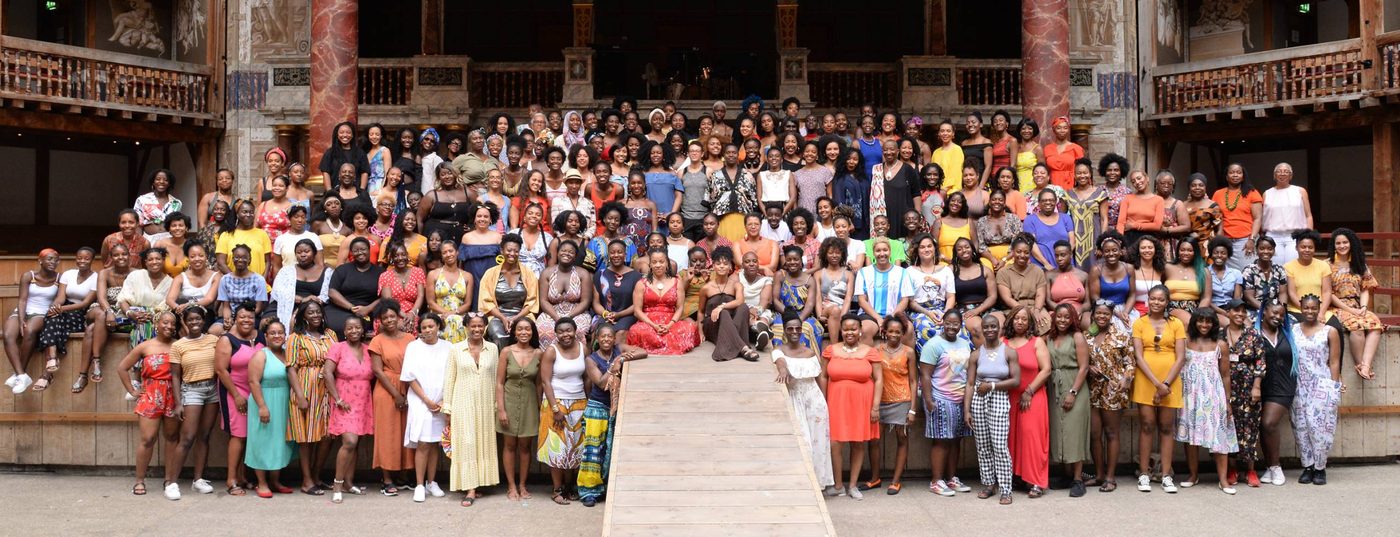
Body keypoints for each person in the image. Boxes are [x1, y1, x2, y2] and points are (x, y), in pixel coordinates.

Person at [577, 324, 648, 507]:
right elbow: (601, 383)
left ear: (615, 338)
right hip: (597, 407)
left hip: (616, 407)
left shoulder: (619, 349)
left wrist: (621, 358)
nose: (607, 339)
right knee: (593, 450)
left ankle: (608, 489)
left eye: (610, 336)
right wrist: (613, 367)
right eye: (603, 337)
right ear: (597, 340)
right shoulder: (591, 359)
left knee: (611, 449)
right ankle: (589, 491)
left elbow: (643, 352)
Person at [117, 310, 180, 498]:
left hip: (173, 394)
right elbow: (122, 368)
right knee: (148, 439)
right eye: (165, 323)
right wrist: (133, 391)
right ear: (156, 324)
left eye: (173, 324)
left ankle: (169, 480)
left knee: (172, 437)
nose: (169, 326)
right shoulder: (145, 346)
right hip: (151, 394)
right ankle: (139, 480)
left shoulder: (178, 346)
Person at [1176, 307, 1239, 494]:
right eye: (1200, 320)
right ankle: (1193, 475)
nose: (1204, 325)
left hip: (1213, 394)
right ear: (1194, 322)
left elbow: (1226, 375)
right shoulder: (1186, 342)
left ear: (1214, 324)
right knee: (1191, 438)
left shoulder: (1221, 344)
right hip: (1190, 395)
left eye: (1208, 321)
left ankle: (1223, 480)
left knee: (1219, 436)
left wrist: (1227, 401)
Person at [1131, 285, 1187, 493]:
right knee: (1146, 425)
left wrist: (1165, 384)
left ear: (1166, 302)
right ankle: (1144, 473)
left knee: (1166, 428)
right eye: (1152, 299)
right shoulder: (1139, 323)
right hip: (1147, 380)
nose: (1156, 303)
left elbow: (1181, 356)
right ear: (1148, 300)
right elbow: (1138, 355)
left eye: (1160, 300)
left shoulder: (1176, 324)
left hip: (1170, 381)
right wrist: (1156, 384)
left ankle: (1165, 474)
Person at [772, 313, 835, 493]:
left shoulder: (810, 352)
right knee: (804, 443)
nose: (794, 332)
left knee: (819, 443)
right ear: (784, 330)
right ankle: (803, 486)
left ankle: (818, 484)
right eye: (790, 328)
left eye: (798, 329)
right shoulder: (779, 350)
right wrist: (783, 370)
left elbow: (820, 377)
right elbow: (780, 362)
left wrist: (824, 400)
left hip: (815, 399)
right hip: (795, 398)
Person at [441, 314, 500, 506]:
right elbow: (449, 378)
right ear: (466, 326)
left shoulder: (492, 348)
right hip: (462, 403)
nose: (476, 330)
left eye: (480, 326)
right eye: (473, 326)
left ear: (485, 327)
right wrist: (447, 408)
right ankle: (470, 488)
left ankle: (481, 481)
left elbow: (496, 379)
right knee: (466, 443)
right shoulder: (456, 349)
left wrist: (496, 405)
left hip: (485, 403)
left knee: (483, 441)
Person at [825, 314, 884, 500]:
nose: (849, 332)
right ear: (841, 331)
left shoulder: (870, 351)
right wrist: (823, 401)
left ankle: (852, 486)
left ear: (860, 331)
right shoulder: (830, 350)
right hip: (836, 401)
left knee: (858, 443)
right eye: (846, 329)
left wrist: (875, 407)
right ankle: (838, 485)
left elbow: (879, 379)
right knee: (835, 443)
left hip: (862, 403)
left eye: (853, 329)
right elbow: (823, 376)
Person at [963, 314, 1021, 504]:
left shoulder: (1009, 352)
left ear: (1000, 329)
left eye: (993, 327)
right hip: (979, 399)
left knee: (999, 446)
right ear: (982, 329)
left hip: (998, 397)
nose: (989, 330)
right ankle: (989, 484)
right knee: (983, 445)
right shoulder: (976, 354)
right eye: (986, 327)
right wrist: (967, 410)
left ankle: (1006, 489)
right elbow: (970, 383)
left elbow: (1016, 381)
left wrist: (993, 386)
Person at [165, 306, 222, 497]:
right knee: (187, 438)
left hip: (212, 389)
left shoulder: (214, 340)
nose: (194, 323)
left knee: (204, 436)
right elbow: (174, 376)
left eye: (198, 319)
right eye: (190, 320)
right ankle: (172, 483)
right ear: (185, 322)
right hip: (192, 390)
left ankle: (198, 479)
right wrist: (178, 402)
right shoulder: (178, 345)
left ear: (204, 320)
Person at [285, 300, 338, 496]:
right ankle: (307, 481)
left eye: (318, 312)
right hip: (306, 388)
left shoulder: (330, 335)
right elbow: (290, 367)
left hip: (327, 389)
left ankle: (316, 475)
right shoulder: (295, 338)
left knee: (326, 435)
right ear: (303, 316)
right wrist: (299, 395)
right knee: (306, 437)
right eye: (310, 312)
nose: (315, 315)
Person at [920, 310, 973, 497]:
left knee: (956, 440)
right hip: (940, 397)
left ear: (961, 324)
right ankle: (936, 481)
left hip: (960, 398)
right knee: (942, 440)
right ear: (942, 323)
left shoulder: (965, 343)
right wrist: (928, 399)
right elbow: (925, 374)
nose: (952, 326)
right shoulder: (933, 345)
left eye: (956, 323)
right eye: (948, 323)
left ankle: (951, 478)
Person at [1291, 294, 1342, 485]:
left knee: (1319, 427)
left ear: (1319, 308)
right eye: (1306, 308)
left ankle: (1320, 468)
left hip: (1321, 384)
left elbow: (1334, 361)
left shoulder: (1330, 331)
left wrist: (1334, 386)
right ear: (1301, 308)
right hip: (1298, 385)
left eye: (1313, 308)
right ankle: (1308, 466)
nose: (1310, 311)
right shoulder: (1293, 329)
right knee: (1301, 426)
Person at [1083, 300, 1134, 492]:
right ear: (1093, 315)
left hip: (1114, 390)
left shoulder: (1121, 336)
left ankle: (1111, 477)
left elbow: (1130, 363)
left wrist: (1126, 379)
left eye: (1106, 314)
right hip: (1092, 390)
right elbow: (1081, 360)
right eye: (1099, 313)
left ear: (1111, 315)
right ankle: (1099, 475)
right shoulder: (1087, 336)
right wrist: (1088, 368)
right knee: (1095, 434)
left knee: (1111, 433)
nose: (1102, 317)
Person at [323, 316, 374, 503]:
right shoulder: (338, 348)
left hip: (363, 400)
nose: (353, 331)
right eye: (350, 328)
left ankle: (348, 482)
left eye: (357, 328)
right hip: (344, 400)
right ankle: (337, 483)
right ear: (344, 332)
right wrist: (337, 398)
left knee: (356, 442)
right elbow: (327, 372)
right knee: (350, 441)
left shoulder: (369, 350)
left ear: (362, 330)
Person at [402, 314, 452, 503]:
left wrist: (443, 401)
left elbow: (451, 374)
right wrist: (427, 400)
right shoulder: (413, 347)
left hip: (441, 402)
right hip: (420, 401)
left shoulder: (449, 347)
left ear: (438, 326)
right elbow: (410, 377)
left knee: (434, 444)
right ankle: (420, 484)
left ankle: (432, 482)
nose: (428, 330)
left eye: (431, 326)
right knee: (423, 443)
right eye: (424, 327)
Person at [539, 317, 588, 505]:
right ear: (555, 334)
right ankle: (557, 489)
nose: (565, 334)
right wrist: (554, 407)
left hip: (579, 402)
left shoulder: (583, 349)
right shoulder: (551, 351)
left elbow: (586, 377)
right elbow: (545, 381)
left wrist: (588, 401)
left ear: (575, 331)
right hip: (555, 401)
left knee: (575, 447)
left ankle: (570, 486)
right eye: (561, 331)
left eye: (568, 330)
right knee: (557, 447)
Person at [1044, 303, 1091, 497]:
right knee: (1059, 432)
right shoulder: (1049, 337)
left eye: (1066, 317)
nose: (1062, 320)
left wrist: (1073, 392)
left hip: (1074, 385)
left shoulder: (1077, 337)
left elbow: (1084, 367)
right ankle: (1066, 474)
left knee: (1074, 433)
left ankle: (1078, 479)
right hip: (1054, 386)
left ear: (1073, 319)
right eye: (1059, 316)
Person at [368, 302, 415, 495]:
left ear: (399, 316)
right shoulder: (377, 340)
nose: (389, 320)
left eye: (392, 316)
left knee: (406, 432)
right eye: (385, 317)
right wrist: (396, 394)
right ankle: (386, 479)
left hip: (409, 386)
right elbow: (377, 371)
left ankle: (404, 476)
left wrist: (408, 392)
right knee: (388, 434)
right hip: (387, 389)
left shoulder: (411, 338)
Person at [244, 319, 294, 498]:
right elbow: (253, 381)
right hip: (264, 400)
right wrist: (262, 406)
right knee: (262, 441)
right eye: (272, 333)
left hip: (282, 402)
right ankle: (262, 482)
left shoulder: (287, 354)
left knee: (279, 442)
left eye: (280, 332)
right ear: (265, 336)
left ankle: (275, 480)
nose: (277, 336)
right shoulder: (261, 355)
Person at [1005, 306, 1051, 498]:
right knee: (1012, 440)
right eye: (1017, 318)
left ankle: (1036, 482)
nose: (1020, 322)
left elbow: (1046, 369)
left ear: (1030, 322)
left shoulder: (1037, 342)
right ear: (1011, 321)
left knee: (1033, 440)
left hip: (1032, 396)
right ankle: (1018, 477)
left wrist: (1029, 391)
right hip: (1009, 397)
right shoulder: (1003, 342)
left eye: (1024, 319)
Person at [38, 248, 98, 393]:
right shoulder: (68, 274)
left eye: (86, 258)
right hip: (64, 307)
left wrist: (61, 310)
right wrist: (56, 306)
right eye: (79, 258)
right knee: (52, 317)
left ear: (92, 260)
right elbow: (60, 297)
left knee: (56, 321)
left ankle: (48, 373)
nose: (82, 261)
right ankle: (51, 359)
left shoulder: (96, 277)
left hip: (81, 312)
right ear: (75, 258)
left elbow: (84, 304)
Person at [496, 317, 542, 501]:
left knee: (525, 446)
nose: (524, 332)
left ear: (533, 332)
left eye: (528, 329)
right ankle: (511, 485)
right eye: (520, 329)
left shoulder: (539, 353)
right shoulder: (506, 352)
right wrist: (501, 409)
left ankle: (523, 485)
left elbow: (539, 384)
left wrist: (540, 408)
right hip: (509, 400)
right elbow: (499, 383)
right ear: (514, 332)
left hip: (530, 403)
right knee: (509, 445)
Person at [1328, 228, 1382, 379]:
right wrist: (1351, 311)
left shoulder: (1359, 263)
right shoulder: (1327, 265)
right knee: (1357, 327)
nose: (1342, 246)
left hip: (1357, 305)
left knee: (1375, 323)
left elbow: (1366, 288)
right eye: (1338, 243)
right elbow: (1329, 294)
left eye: (1345, 242)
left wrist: (1363, 307)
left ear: (1351, 243)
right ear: (1333, 245)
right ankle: (1359, 365)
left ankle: (1366, 365)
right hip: (1337, 306)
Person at [4, 250, 60, 393]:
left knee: (29, 331)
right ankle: (22, 375)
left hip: (41, 313)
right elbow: (22, 300)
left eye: (55, 260)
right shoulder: (29, 276)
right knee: (8, 335)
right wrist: (21, 319)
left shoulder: (59, 278)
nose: (52, 262)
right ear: (40, 261)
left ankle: (19, 374)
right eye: (49, 259)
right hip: (23, 311)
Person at [629, 249, 701, 355]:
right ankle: (664, 343)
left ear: (667, 263)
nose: (658, 265)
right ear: (650, 265)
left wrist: (670, 325)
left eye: (661, 262)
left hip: (670, 321)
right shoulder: (641, 284)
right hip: (648, 322)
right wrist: (654, 325)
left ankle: (658, 343)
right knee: (636, 331)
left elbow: (680, 307)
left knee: (690, 327)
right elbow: (637, 311)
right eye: (654, 262)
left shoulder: (677, 282)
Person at [479, 234, 540, 349]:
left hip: (523, 315)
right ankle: (501, 366)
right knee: (500, 336)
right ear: (502, 250)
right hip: (497, 316)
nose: (512, 254)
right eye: (509, 250)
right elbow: (486, 302)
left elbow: (532, 302)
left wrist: (515, 318)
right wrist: (503, 318)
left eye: (516, 251)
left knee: (523, 334)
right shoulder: (490, 274)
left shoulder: (528, 274)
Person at [1256, 301, 1293, 486]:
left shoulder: (1289, 334)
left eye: (1281, 315)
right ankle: (1269, 468)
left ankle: (1276, 466)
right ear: (1264, 312)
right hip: (1259, 386)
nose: (1278, 317)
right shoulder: (1254, 333)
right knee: (1262, 426)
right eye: (1274, 313)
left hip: (1283, 387)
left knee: (1269, 423)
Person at [854, 238, 915, 345]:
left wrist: (890, 318)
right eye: (878, 251)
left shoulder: (902, 272)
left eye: (885, 250)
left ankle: (906, 361)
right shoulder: (864, 272)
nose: (882, 254)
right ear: (873, 253)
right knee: (865, 330)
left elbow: (904, 300)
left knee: (908, 329)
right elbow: (861, 301)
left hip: (895, 313)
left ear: (890, 251)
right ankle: (869, 361)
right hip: (870, 315)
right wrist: (878, 318)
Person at [905, 234, 954, 355]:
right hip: (920, 311)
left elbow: (951, 297)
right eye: (922, 247)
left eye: (929, 246)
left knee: (955, 327)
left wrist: (945, 314)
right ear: (917, 250)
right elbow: (910, 302)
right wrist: (928, 313)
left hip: (943, 310)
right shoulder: (909, 272)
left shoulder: (946, 270)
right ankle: (927, 369)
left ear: (934, 248)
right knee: (927, 328)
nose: (926, 249)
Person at [773, 245, 826, 355]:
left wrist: (799, 320)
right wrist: (789, 316)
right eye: (789, 260)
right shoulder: (780, 275)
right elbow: (775, 300)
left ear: (801, 261)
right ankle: (780, 362)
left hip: (804, 316)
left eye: (795, 259)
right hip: (784, 314)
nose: (792, 262)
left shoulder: (809, 279)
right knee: (778, 330)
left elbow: (810, 304)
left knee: (805, 329)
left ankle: (806, 361)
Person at [326, 238, 384, 337]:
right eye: (356, 250)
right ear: (351, 253)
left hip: (366, 311)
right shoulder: (343, 269)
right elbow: (332, 292)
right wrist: (352, 308)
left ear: (369, 250)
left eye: (363, 249)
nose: (360, 252)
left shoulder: (380, 272)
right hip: (340, 307)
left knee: (353, 326)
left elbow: (384, 297)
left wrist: (368, 309)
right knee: (331, 324)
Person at [270, 239, 331, 330]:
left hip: (316, 306)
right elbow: (278, 292)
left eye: (307, 251)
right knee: (267, 321)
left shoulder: (327, 272)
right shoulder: (286, 271)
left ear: (314, 253)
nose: (303, 255)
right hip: (287, 304)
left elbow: (326, 294)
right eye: (299, 252)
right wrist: (303, 299)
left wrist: (308, 303)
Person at [1211, 163, 1262, 270]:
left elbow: (1258, 218)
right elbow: (1215, 217)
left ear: (1243, 176)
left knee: (1247, 272)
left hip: (1245, 240)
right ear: (1226, 176)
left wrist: (1252, 239)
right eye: (1232, 172)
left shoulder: (1252, 192)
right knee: (1227, 274)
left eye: (1238, 172)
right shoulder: (1218, 194)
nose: (1235, 175)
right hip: (1225, 241)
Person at [1260, 163, 1312, 266]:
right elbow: (1261, 216)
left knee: (1293, 267)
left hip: (1295, 236)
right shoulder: (1267, 193)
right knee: (1274, 267)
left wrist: (1309, 236)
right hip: (1273, 235)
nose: (1282, 174)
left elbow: (1308, 215)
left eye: (1286, 171)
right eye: (1279, 171)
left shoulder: (1300, 191)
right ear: (1274, 175)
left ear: (1291, 175)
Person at [708, 144, 759, 244]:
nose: (731, 155)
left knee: (742, 249)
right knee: (724, 250)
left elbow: (754, 200)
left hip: (743, 219)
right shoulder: (715, 175)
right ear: (724, 155)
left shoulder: (747, 175)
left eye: (734, 152)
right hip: (722, 219)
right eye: (728, 152)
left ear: (738, 155)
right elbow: (710, 199)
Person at [997, 236, 1050, 332]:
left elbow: (1040, 294)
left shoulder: (1037, 271)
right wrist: (1025, 312)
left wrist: (1037, 310)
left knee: (1045, 322)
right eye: (1019, 251)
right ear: (1013, 252)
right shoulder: (1003, 272)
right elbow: (1007, 298)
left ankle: (1040, 346)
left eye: (1026, 252)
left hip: (1036, 307)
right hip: (1013, 309)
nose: (1022, 255)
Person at [871, 139, 921, 239]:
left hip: (903, 215)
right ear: (882, 152)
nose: (889, 152)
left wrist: (918, 214)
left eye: (892, 149)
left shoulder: (907, 169)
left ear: (897, 151)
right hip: (883, 215)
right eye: (885, 150)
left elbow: (916, 193)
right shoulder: (877, 169)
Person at [459, 203, 505, 309]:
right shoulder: (466, 237)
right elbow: (461, 263)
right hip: (472, 280)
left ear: (490, 220)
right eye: (479, 216)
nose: (482, 219)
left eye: (486, 216)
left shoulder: (498, 237)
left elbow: (503, 261)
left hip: (492, 279)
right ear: (474, 219)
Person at [215, 199, 273, 280]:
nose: (248, 214)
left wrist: (262, 281)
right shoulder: (226, 235)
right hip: (234, 285)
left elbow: (268, 262)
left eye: (251, 212)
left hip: (258, 286)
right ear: (237, 214)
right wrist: (238, 280)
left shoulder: (262, 234)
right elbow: (221, 263)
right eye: (244, 212)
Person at [1065, 159, 1107, 269]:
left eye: (1085, 173)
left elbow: (1104, 219)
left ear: (1090, 174)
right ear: (1074, 175)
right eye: (1078, 173)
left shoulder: (1100, 194)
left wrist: (1101, 242)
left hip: (1094, 238)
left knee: (1096, 270)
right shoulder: (1068, 194)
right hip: (1074, 240)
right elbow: (1062, 218)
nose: (1082, 176)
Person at [377, 242, 426, 335]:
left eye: (403, 254)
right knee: (397, 325)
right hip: (392, 312)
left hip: (413, 311)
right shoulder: (385, 276)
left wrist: (412, 313)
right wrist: (404, 316)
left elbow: (421, 295)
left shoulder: (417, 272)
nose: (400, 258)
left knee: (413, 325)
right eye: (396, 256)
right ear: (391, 258)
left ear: (407, 256)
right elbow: (389, 301)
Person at [216, 245, 269, 326]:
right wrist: (228, 320)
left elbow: (258, 308)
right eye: (237, 257)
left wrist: (242, 319)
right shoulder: (225, 279)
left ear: (249, 260)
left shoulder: (259, 280)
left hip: (251, 317)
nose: (240, 260)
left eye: (244, 257)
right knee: (214, 330)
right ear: (233, 259)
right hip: (232, 316)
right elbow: (226, 307)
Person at [1024, 190, 1074, 270]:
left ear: (1056, 202)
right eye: (1044, 200)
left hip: (1065, 266)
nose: (1048, 202)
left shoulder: (1065, 218)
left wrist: (1065, 260)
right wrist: (1046, 264)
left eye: (1051, 200)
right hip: (1041, 266)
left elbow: (1072, 241)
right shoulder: (1030, 220)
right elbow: (1031, 244)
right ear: (1039, 203)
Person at [1165, 240, 1212, 324]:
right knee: (1188, 322)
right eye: (1182, 250)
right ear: (1178, 251)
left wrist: (1198, 314)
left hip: (1196, 309)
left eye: (1190, 250)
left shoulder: (1203, 271)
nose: (1185, 253)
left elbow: (1206, 298)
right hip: (1172, 307)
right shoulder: (1167, 268)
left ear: (1195, 252)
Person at [737, 251, 776, 348]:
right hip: (742, 308)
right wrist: (749, 311)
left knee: (764, 316)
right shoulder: (737, 277)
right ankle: (761, 330)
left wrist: (757, 311)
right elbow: (736, 298)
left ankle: (761, 330)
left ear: (758, 264)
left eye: (754, 261)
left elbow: (765, 301)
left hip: (760, 309)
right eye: (747, 261)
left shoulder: (766, 280)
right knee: (745, 314)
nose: (751, 264)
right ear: (742, 265)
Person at [976, 189, 1022, 270]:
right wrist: (993, 260)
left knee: (1009, 267)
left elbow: (1018, 243)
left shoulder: (1014, 219)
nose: (997, 202)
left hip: (1010, 255)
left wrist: (1005, 259)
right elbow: (981, 246)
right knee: (984, 266)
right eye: (994, 199)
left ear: (1004, 203)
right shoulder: (982, 221)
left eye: (1000, 200)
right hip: (988, 256)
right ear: (989, 203)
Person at [133, 169, 183, 243]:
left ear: (169, 183)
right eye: (158, 179)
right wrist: (139, 242)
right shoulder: (142, 200)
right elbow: (138, 224)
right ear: (153, 182)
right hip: (148, 239)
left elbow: (177, 225)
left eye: (165, 180)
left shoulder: (176, 203)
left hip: (169, 239)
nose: (161, 182)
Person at [1116, 171, 1163, 249]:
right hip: (1129, 238)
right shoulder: (1127, 198)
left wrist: (1134, 225)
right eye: (1133, 181)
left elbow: (1157, 225)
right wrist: (1119, 241)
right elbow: (1121, 223)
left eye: (1139, 178)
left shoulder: (1158, 200)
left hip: (1149, 239)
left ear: (1147, 178)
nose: (1137, 182)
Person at [1242, 235, 1289, 311]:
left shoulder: (1279, 270)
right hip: (1255, 310)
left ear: (1274, 251)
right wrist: (1267, 310)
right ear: (1256, 250)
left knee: (1292, 322)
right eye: (1262, 248)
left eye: (1270, 249)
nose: (1266, 251)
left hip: (1276, 310)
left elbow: (1282, 293)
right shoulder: (1249, 271)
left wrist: (1281, 310)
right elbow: (1249, 298)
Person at [1043, 117, 1083, 191]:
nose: (1062, 130)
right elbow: (1044, 169)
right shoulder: (1047, 148)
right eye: (1059, 128)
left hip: (1071, 183)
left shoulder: (1076, 148)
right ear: (1054, 130)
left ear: (1068, 130)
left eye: (1065, 128)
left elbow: (1082, 169)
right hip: (1052, 183)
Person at [256, 176, 294, 246]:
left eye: (281, 186)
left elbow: (295, 230)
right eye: (274, 185)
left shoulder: (292, 207)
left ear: (287, 188)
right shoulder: (263, 205)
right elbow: (255, 227)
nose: (277, 188)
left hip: (283, 247)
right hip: (262, 246)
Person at [153, 212, 193, 276]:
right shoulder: (160, 245)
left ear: (186, 228)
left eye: (181, 225)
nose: (177, 228)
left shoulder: (191, 246)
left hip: (186, 284)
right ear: (169, 228)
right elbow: (152, 268)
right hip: (164, 284)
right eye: (174, 225)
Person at [930, 121, 964, 193]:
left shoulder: (957, 149)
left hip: (952, 192)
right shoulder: (936, 152)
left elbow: (955, 173)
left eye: (948, 131)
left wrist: (944, 190)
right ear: (939, 133)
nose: (945, 133)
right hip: (937, 191)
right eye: (942, 131)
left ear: (953, 134)